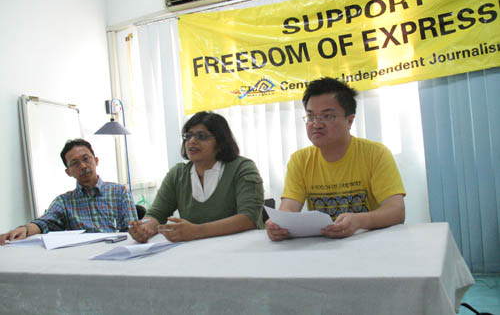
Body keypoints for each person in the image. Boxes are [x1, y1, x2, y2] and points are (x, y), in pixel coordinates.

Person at [266, 77, 406, 241]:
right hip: (322, 248)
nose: (316, 124)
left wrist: (360, 221)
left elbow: (396, 210)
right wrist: (278, 224)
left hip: (369, 244)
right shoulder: (300, 160)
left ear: (350, 120)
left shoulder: (376, 154)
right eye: (311, 117)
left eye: (328, 116)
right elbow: (289, 208)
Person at [129, 111, 264, 243]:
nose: (192, 141)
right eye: (188, 136)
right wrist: (144, 229)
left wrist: (197, 231)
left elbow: (248, 219)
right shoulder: (178, 174)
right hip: (194, 252)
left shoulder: (242, 168)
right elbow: (156, 215)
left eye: (202, 136)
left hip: (241, 249)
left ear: (221, 143)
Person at [0, 139, 137, 245]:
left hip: (116, 253)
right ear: (68, 172)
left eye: (86, 159)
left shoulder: (120, 192)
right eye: (75, 163)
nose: (83, 166)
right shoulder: (64, 201)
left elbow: (133, 230)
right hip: (81, 258)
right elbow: (43, 222)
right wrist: (24, 229)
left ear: (96, 161)